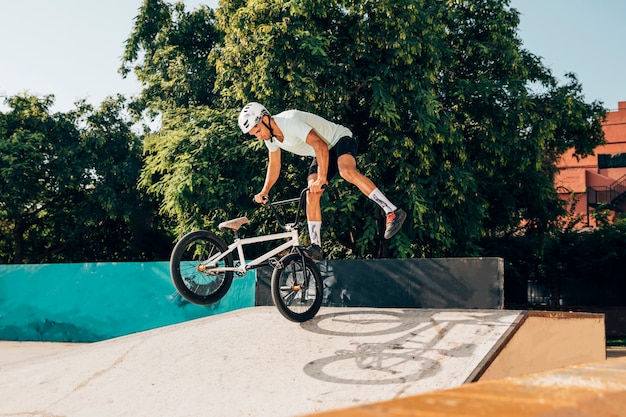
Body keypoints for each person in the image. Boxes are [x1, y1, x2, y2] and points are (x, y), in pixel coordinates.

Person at [238, 102, 406, 261]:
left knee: (346, 171)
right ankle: (316, 247)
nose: (258, 137)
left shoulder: (289, 121)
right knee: (311, 194)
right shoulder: (271, 139)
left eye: (258, 131)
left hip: (339, 139)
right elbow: (274, 165)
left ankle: (392, 211)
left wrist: (322, 177)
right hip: (320, 153)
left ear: (265, 118)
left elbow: (320, 144)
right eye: (255, 135)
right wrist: (265, 191)